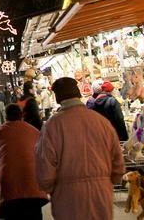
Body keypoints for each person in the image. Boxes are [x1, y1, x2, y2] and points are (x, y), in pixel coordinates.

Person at [35, 77, 125, 220]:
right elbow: (117, 159)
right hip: (100, 193)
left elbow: (45, 164)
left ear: (57, 97)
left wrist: (50, 188)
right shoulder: (101, 122)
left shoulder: (52, 126)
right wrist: (110, 180)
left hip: (67, 196)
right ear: (77, 93)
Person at [0, 104, 48, 220]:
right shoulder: (34, 131)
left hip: (9, 184)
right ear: (22, 115)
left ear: (6, 116)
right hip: (33, 183)